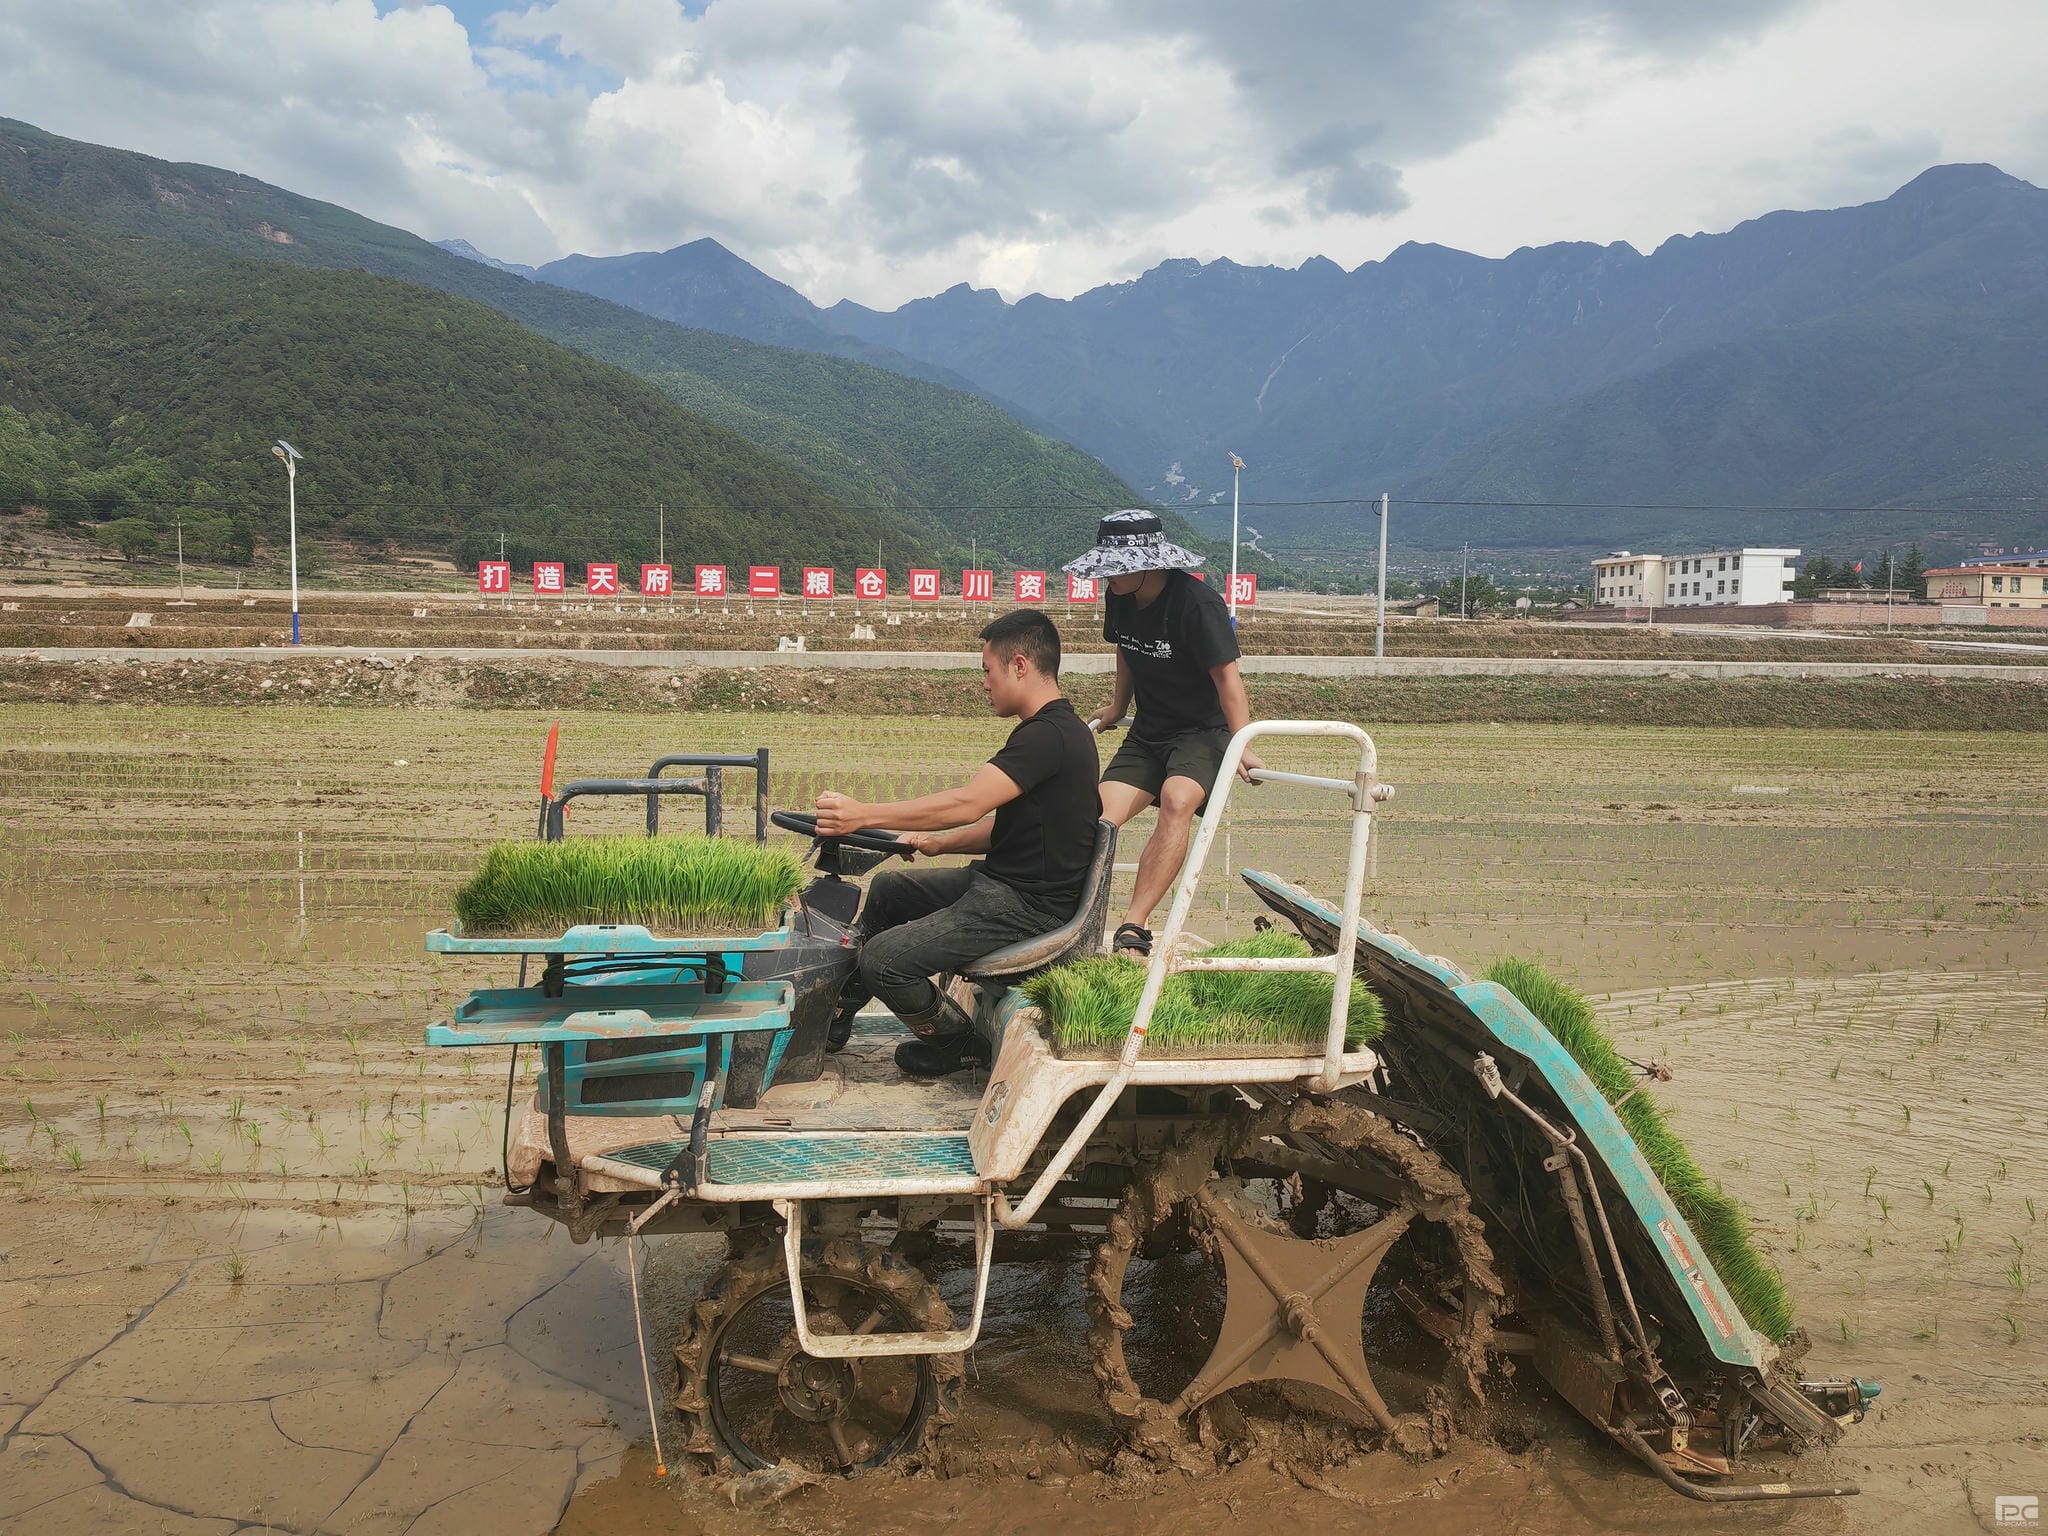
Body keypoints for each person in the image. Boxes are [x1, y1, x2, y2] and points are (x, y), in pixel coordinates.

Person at [814, 608, 1100, 1079]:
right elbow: (1013, 828)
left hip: (1027, 906)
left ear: (1021, 665)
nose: (984, 683)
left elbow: (968, 802)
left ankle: (956, 1043)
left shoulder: (1048, 736)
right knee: (889, 889)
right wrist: (938, 843)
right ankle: (841, 1010)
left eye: (988, 671)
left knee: (883, 960)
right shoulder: (1054, 731)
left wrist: (860, 815)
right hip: (999, 884)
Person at [1063, 510, 1260, 960]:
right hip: (1149, 732)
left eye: (1116, 568)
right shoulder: (1121, 596)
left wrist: (1242, 744)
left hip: (1202, 733)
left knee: (1176, 799)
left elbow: (1228, 680)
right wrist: (1117, 706)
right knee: (1097, 815)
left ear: (1149, 563)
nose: (1107, 578)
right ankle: (1072, 919)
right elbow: (1126, 649)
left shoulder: (1198, 605)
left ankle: (1134, 926)